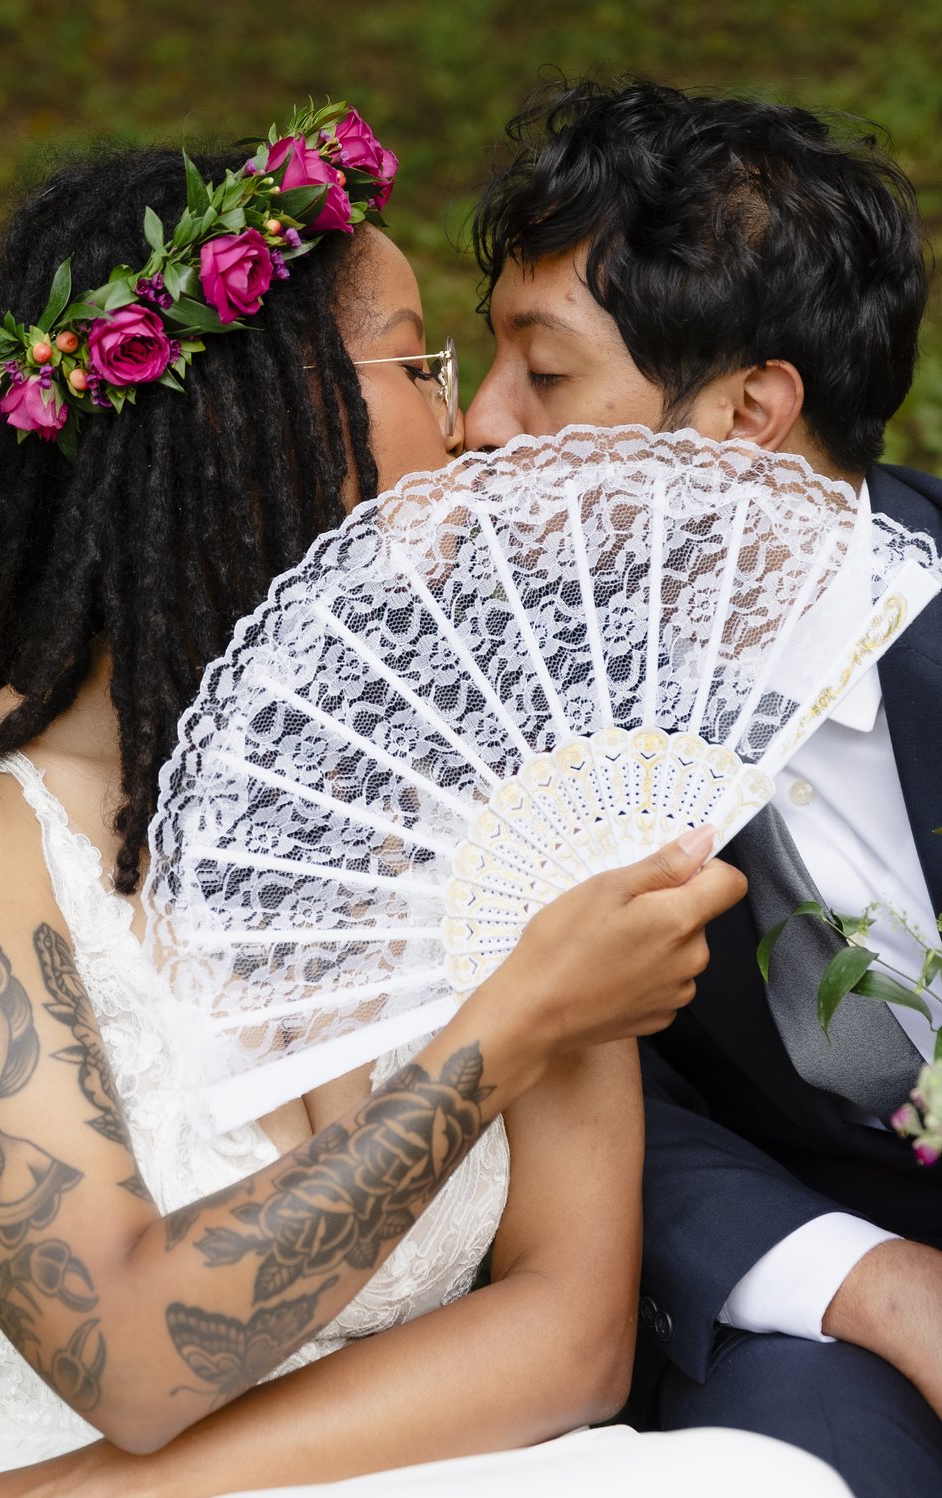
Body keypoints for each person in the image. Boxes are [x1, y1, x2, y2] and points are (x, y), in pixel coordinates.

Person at [0, 104, 847, 1498]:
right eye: (420, 361)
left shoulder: (501, 765)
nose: (473, 424)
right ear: (257, 415)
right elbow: (126, 1354)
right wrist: (512, 1022)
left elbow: (572, 1333)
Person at [465, 76, 942, 1498]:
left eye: (543, 376)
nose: (482, 426)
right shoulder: (513, 707)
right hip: (824, 1277)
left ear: (748, 411)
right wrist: (872, 1282)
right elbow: (602, 1098)